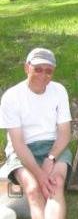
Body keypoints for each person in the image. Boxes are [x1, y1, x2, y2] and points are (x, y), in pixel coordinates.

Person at [0, 47, 72, 219]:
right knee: (33, 189)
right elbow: (17, 143)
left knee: (56, 184)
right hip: (23, 148)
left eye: (48, 71)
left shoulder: (59, 91)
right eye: (38, 69)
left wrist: (51, 158)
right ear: (27, 68)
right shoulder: (11, 97)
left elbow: (64, 133)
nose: (43, 75)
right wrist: (40, 175)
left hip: (53, 146)